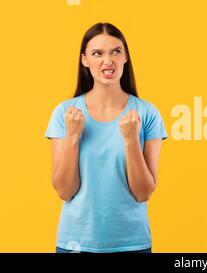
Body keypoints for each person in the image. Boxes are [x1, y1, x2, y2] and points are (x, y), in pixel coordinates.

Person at [45, 23, 167, 253]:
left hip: (133, 243)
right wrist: (72, 136)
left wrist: (131, 140)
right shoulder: (64, 113)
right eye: (97, 53)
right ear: (84, 60)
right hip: (75, 243)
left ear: (125, 57)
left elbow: (143, 193)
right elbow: (64, 191)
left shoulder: (147, 113)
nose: (107, 60)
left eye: (115, 51)